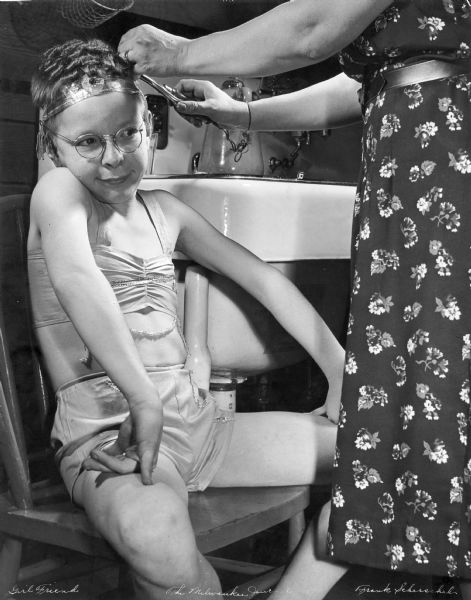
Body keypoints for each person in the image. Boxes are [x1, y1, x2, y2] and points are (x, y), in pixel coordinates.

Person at [119, 1, 471, 599]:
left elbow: (312, 30)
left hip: (438, 161)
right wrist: (244, 114)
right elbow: (375, 78)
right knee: (437, 425)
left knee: (437, 421)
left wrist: (176, 55)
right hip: (418, 150)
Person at [28, 38, 345, 600]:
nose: (113, 156)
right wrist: (142, 400)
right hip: (112, 433)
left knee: (382, 454)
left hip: (200, 428)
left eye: (128, 133)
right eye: (87, 142)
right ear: (51, 149)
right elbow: (78, 277)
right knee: (157, 536)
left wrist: (339, 367)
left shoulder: (166, 212)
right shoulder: (59, 195)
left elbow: (265, 280)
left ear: (150, 127)